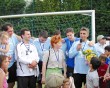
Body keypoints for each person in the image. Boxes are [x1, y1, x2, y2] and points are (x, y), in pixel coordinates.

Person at [1, 23, 21, 88]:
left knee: (12, 82)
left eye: (12, 30)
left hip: (12, 63)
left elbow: (22, 39)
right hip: (2, 63)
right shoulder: (1, 39)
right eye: (10, 31)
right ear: (4, 32)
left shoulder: (14, 37)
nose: (12, 32)